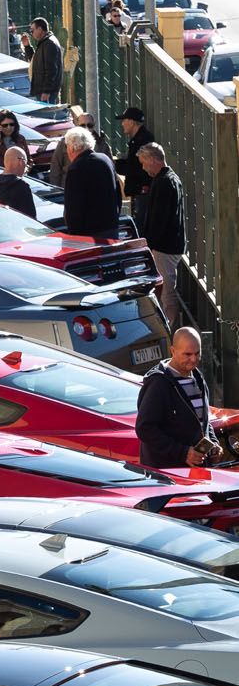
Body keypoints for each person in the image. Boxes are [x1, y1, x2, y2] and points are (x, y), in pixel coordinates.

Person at [136, 325, 216, 468]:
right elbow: (145, 429)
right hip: (170, 474)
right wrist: (183, 453)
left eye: (197, 353)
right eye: (187, 354)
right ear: (172, 351)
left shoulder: (198, 377)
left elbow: (203, 420)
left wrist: (213, 443)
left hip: (196, 471)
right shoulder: (158, 383)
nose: (193, 359)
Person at [137, 142, 186, 331]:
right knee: (166, 289)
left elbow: (160, 219)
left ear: (153, 160)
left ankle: (169, 330)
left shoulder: (164, 182)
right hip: (170, 244)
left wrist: (150, 244)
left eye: (144, 163)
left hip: (165, 246)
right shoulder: (170, 178)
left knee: (166, 292)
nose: (143, 167)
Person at [60, 125, 123, 241]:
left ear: (72, 148)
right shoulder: (105, 160)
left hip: (88, 234)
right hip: (111, 227)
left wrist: (74, 236)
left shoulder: (76, 168)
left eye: (67, 146)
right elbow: (118, 193)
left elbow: (73, 208)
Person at [0, 147, 37, 219]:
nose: (26, 168)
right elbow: (31, 220)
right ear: (21, 161)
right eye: (26, 164)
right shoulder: (21, 187)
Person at [24, 16, 64, 103]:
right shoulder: (44, 43)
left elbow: (51, 70)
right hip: (42, 91)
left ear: (40, 29)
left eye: (32, 30)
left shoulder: (49, 44)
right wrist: (27, 46)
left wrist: (46, 91)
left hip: (46, 93)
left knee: (47, 116)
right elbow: (35, 62)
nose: (31, 33)